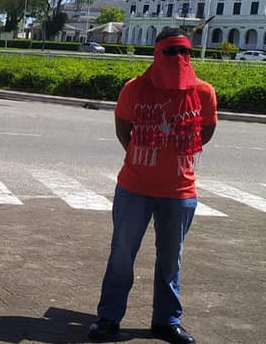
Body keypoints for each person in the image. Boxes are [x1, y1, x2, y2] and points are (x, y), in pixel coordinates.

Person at [89, 28, 217, 344]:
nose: (177, 58)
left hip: (180, 192)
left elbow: (207, 131)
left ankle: (166, 322)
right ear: (157, 53)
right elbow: (123, 129)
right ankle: (109, 317)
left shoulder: (203, 92)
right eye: (170, 52)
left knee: (171, 260)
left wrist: (173, 155)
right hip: (134, 188)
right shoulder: (135, 88)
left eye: (183, 52)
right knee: (121, 256)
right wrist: (143, 157)